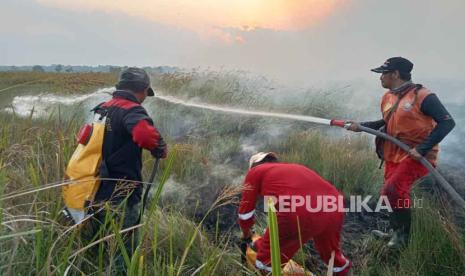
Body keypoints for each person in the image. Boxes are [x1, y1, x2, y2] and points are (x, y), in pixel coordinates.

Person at [346, 57, 455, 247]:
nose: (380, 78)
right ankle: (395, 232)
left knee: (393, 190)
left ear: (395, 74)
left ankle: (402, 239)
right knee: (389, 194)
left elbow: (447, 122)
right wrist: (360, 126)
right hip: (392, 154)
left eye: (383, 74)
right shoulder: (388, 97)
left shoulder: (423, 96)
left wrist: (421, 149)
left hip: (416, 155)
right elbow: (386, 123)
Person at [87, 67, 167, 272]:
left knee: (102, 239)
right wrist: (159, 147)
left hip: (96, 187)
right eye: (145, 94)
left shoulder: (103, 108)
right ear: (142, 89)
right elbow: (145, 136)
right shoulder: (132, 109)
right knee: (124, 246)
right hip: (123, 189)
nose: (145, 99)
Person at [238, 152, 351, 275]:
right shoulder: (292, 168)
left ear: (254, 165)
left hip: (299, 211)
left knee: (265, 261)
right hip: (335, 206)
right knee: (332, 255)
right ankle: (342, 270)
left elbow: (246, 214)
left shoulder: (255, 172)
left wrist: (246, 234)